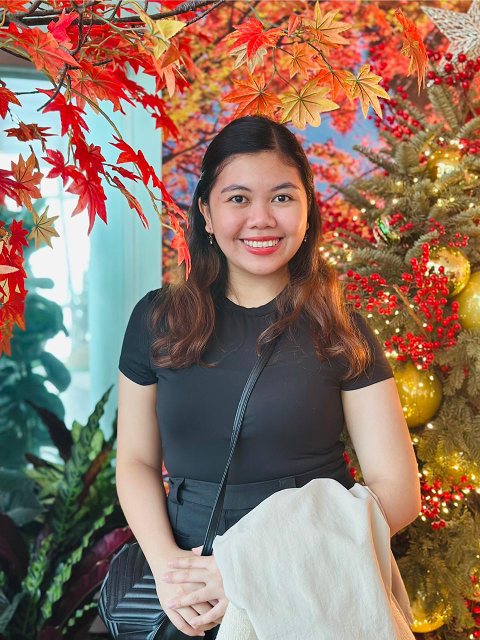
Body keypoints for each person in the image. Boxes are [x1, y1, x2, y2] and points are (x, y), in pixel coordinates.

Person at [115, 115, 421, 639]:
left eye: (282, 197)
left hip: (311, 586)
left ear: (307, 210)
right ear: (205, 212)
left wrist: (249, 568)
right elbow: (137, 462)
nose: (261, 219)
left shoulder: (340, 327)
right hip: (187, 586)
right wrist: (169, 569)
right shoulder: (157, 319)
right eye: (238, 198)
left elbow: (400, 491)